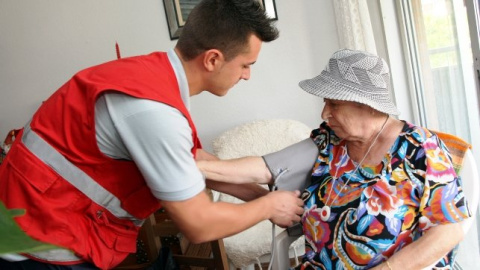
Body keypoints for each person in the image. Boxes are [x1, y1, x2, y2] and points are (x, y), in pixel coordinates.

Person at [0, 0, 304, 269]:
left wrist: (262, 194)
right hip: (36, 237)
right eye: (246, 65)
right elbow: (199, 224)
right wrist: (268, 207)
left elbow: (189, 160)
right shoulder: (154, 112)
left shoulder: (154, 75)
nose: (247, 75)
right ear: (212, 59)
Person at [197, 48, 471, 269]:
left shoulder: (421, 149)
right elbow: (264, 168)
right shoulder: (329, 140)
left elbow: (449, 229)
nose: (324, 113)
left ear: (366, 105)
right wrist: (197, 165)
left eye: (334, 104)